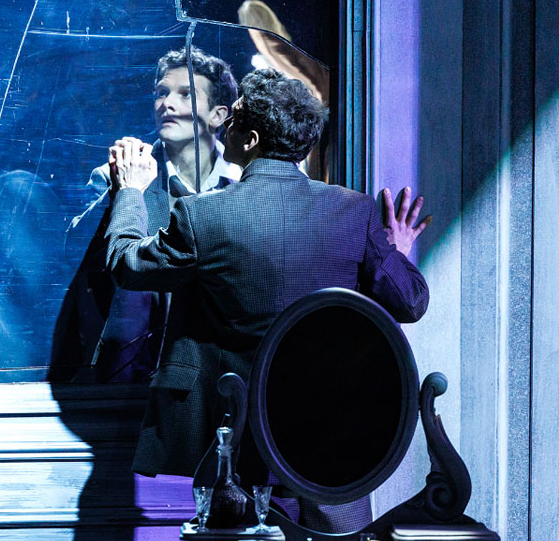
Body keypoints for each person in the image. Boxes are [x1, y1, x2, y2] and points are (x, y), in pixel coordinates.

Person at [104, 68, 431, 533]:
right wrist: (393, 252)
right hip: (331, 447)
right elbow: (410, 302)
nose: (224, 127)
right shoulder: (354, 212)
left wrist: (130, 192)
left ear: (251, 139)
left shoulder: (202, 216)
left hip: (239, 451)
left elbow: (127, 264)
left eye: (233, 119)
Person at [53, 47, 239, 382]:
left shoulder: (242, 183)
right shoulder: (116, 175)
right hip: (138, 375)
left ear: (217, 115)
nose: (167, 103)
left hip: (223, 367)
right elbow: (76, 259)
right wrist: (125, 190)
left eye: (185, 94)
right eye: (161, 93)